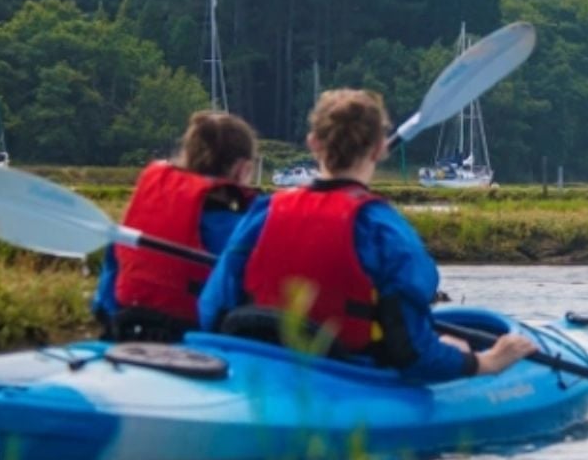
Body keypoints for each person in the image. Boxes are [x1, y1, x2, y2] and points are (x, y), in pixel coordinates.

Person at [198, 88, 536, 380]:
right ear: (378, 150)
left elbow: (212, 311)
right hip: (349, 373)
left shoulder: (262, 214)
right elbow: (412, 351)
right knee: (453, 344)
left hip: (262, 368)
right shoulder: (383, 229)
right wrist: (484, 362)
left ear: (313, 144)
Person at [92, 111, 259, 341]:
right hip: (195, 342)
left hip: (127, 328)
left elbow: (104, 296)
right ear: (242, 169)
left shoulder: (144, 213)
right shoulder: (241, 230)